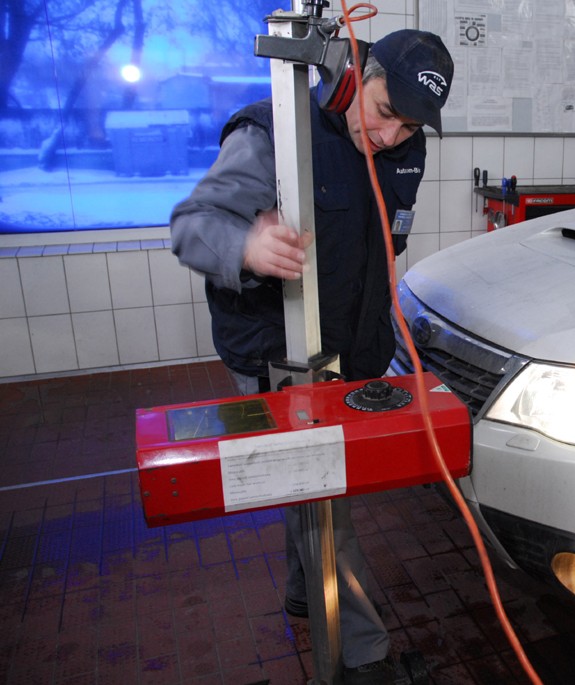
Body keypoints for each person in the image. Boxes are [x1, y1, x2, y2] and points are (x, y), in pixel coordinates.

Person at [169, 29, 454, 685]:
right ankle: (364, 655)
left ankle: (305, 591)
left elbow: (385, 242)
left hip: (347, 350)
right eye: (384, 112)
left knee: (305, 487)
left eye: (409, 127)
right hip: (274, 349)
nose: (389, 136)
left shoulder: (405, 148)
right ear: (354, 74)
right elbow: (192, 226)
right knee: (325, 495)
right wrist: (246, 246)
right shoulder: (272, 132)